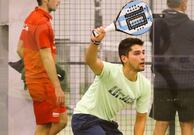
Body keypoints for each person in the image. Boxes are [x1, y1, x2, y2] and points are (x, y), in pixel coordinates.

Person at [71, 27, 151, 135]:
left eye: (143, 52)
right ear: (124, 58)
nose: (142, 57)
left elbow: (141, 118)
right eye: (137, 53)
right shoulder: (109, 71)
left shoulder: (144, 85)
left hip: (105, 123)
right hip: (84, 117)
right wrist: (95, 42)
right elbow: (90, 61)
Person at [149, 0, 194, 135]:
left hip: (163, 82)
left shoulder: (156, 24)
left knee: (161, 123)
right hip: (187, 83)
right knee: (187, 124)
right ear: (184, 3)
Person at [16, 0, 67, 134]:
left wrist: (33, 67)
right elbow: (46, 56)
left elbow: (20, 49)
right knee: (53, 123)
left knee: (52, 122)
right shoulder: (42, 23)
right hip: (43, 82)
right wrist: (57, 86)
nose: (59, 1)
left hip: (37, 80)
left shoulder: (32, 18)